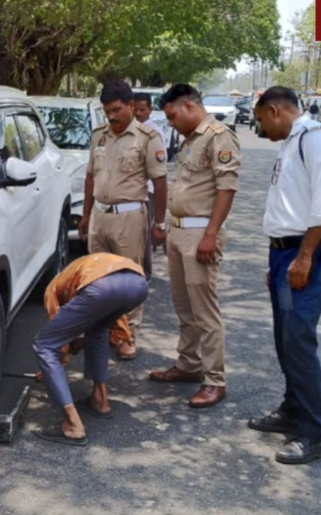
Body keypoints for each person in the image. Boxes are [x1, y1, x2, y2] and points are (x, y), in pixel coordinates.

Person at [248, 86, 321, 465]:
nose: (261, 130)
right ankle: (292, 410)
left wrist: (302, 258)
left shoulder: (316, 140)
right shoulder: (289, 142)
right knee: (285, 340)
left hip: (306, 254)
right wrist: (278, 261)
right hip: (285, 253)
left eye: (260, 122)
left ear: (274, 111)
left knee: (300, 343)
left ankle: (314, 431)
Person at [148, 83, 241, 409]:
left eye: (172, 116)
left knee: (204, 311)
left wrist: (211, 235)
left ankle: (215, 381)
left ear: (189, 106)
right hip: (179, 233)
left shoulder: (219, 136)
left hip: (201, 233)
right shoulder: (190, 140)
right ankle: (188, 365)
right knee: (184, 307)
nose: (170, 123)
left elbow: (226, 188)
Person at [78, 81, 168, 361]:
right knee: (98, 279)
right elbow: (91, 176)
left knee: (130, 278)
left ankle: (129, 335)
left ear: (131, 106)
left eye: (117, 110)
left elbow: (160, 182)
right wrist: (86, 214)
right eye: (108, 112)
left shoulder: (147, 137)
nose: (112, 117)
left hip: (129, 216)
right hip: (99, 217)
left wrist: (159, 223)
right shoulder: (99, 136)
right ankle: (106, 330)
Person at [33, 253, 149, 446]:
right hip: (138, 284)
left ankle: (72, 425)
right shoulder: (82, 271)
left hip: (102, 288)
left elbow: (56, 345)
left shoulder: (52, 290)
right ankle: (100, 399)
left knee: (44, 344)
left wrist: (51, 370)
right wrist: (78, 344)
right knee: (98, 328)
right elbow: (117, 333)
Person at [134, 91, 166, 281]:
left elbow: (159, 171)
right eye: (135, 109)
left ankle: (144, 273)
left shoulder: (153, 133)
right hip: (131, 193)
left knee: (143, 234)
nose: (138, 113)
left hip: (147, 192)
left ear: (150, 110)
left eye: (142, 109)